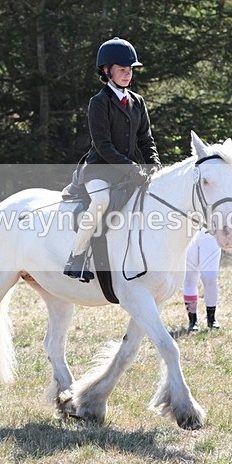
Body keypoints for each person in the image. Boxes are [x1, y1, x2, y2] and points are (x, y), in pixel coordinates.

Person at [63, 37, 161, 282]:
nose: (128, 75)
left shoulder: (137, 102)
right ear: (107, 71)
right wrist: (131, 168)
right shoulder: (99, 103)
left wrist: (153, 162)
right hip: (100, 171)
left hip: (128, 171)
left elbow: (146, 139)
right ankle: (76, 256)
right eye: (122, 70)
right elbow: (103, 146)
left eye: (130, 70)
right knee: (101, 201)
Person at [183, 230, 223, 331]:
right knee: (190, 279)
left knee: (210, 278)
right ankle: (192, 320)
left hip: (210, 236)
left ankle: (211, 319)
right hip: (187, 236)